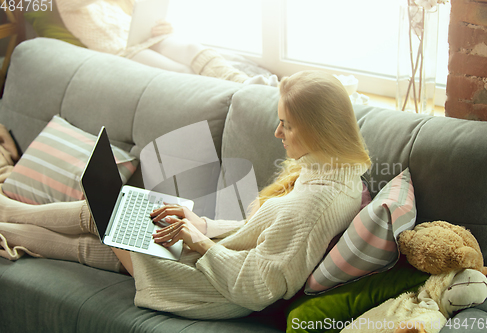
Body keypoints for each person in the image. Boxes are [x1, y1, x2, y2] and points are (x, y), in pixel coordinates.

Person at [0, 70, 371, 319]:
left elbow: (258, 286)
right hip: (211, 268)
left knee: (103, 214)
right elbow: (257, 236)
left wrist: (198, 242)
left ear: (318, 130)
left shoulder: (315, 204)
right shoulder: (336, 171)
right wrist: (202, 224)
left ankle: (6, 208)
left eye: (286, 125)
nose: (277, 133)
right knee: (112, 226)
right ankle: (8, 220)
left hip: (209, 288)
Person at [55, 0, 278, 86]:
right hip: (121, 53)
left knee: (194, 49)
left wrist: (162, 26)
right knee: (183, 71)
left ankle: (247, 83)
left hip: (145, 38)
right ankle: (239, 93)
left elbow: (139, 17)